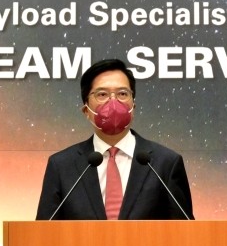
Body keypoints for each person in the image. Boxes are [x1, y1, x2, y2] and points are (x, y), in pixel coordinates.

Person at [36, 58, 193, 220]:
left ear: (133, 107)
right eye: (102, 94)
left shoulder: (165, 163)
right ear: (86, 110)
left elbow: (186, 230)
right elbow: (42, 230)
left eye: (122, 94)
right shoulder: (61, 166)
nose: (113, 102)